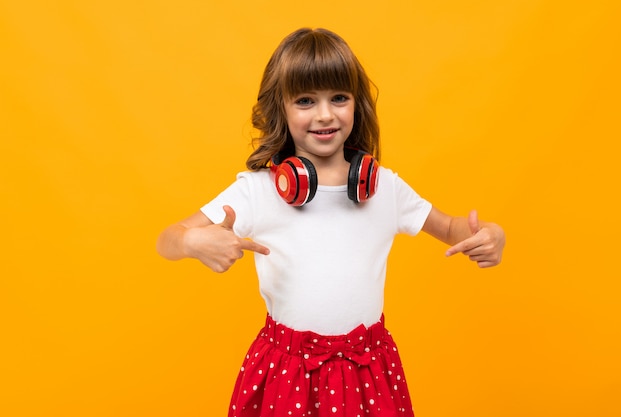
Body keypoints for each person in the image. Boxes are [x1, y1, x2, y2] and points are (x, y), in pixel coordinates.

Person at [156, 27, 505, 417]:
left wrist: (489, 235)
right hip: (286, 371)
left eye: (339, 98)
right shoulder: (257, 192)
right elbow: (168, 238)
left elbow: (452, 227)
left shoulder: (385, 189)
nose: (325, 114)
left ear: (357, 105)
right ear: (281, 109)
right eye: (305, 100)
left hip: (369, 371)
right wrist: (193, 243)